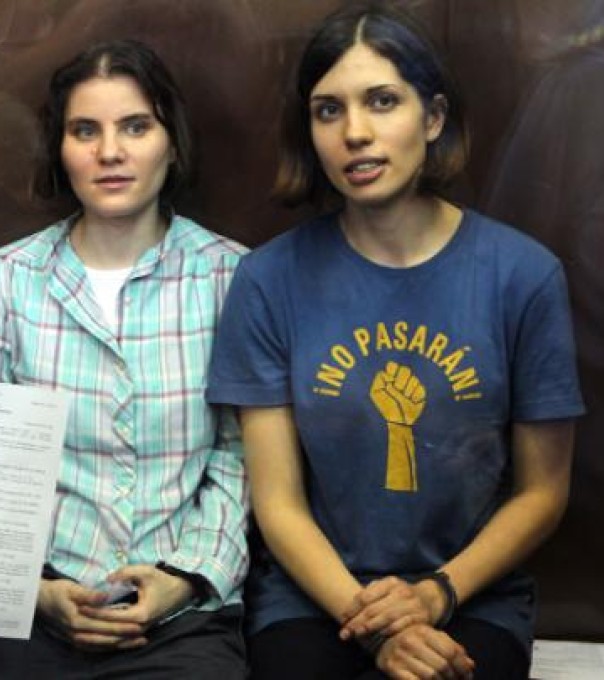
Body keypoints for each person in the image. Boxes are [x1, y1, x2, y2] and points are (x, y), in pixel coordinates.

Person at [206, 3, 584, 679]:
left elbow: (542, 493)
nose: (356, 133)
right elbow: (279, 502)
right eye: (329, 110)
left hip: (472, 594)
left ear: (432, 118)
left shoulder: (522, 277)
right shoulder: (268, 280)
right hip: (313, 596)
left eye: (382, 101)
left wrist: (436, 593)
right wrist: (377, 624)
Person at [0, 39, 249, 679]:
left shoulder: (231, 275)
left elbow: (240, 457)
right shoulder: (7, 279)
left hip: (184, 619)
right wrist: (34, 591)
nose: (110, 152)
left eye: (135, 126)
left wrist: (185, 579)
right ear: (60, 149)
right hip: (29, 608)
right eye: (85, 131)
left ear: (172, 142)